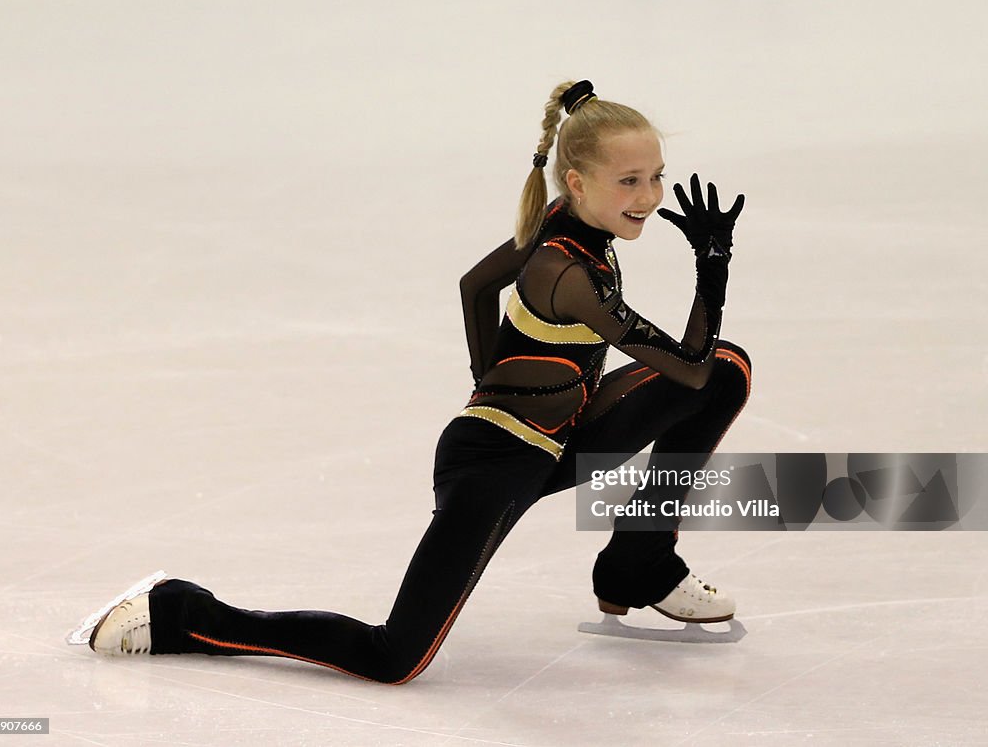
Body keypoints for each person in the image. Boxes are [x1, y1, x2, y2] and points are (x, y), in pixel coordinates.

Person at [82, 79, 752, 684]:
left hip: (557, 436)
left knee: (728, 374)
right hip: (497, 461)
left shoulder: (567, 226)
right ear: (576, 182)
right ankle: (187, 612)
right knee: (396, 656)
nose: (651, 197)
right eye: (630, 181)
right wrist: (712, 267)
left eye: (656, 177)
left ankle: (639, 560)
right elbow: (682, 363)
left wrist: (488, 376)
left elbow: (476, 287)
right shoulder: (566, 273)